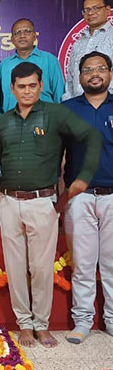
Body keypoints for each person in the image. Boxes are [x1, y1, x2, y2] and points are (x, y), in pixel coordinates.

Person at [0, 62, 101, 348]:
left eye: (33, 85)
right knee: (15, 266)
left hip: (43, 202)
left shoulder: (56, 114)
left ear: (41, 86)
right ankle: (24, 324)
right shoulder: (1, 122)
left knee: (42, 268)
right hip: (8, 201)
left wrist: (83, 177)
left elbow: (92, 137)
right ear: (12, 89)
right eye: (21, 86)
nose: (27, 91)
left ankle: (41, 325)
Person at [63, 51, 113, 343]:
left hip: (112, 196)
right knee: (82, 264)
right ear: (79, 76)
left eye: (100, 68)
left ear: (109, 73)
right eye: (88, 70)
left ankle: (112, 320)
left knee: (111, 264)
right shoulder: (67, 109)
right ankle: (82, 321)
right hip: (79, 197)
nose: (95, 74)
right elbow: (56, 154)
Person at [0, 18, 64, 117]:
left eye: (27, 31)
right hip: (11, 121)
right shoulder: (3, 65)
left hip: (45, 119)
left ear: (34, 36)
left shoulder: (50, 60)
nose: (22, 35)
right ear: (12, 39)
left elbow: (60, 94)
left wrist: (58, 119)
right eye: (17, 33)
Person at [64, 0, 113, 100]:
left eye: (96, 8)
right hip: (78, 104)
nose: (90, 13)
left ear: (108, 10)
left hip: (108, 103)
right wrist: (69, 102)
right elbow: (71, 79)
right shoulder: (78, 43)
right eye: (86, 10)